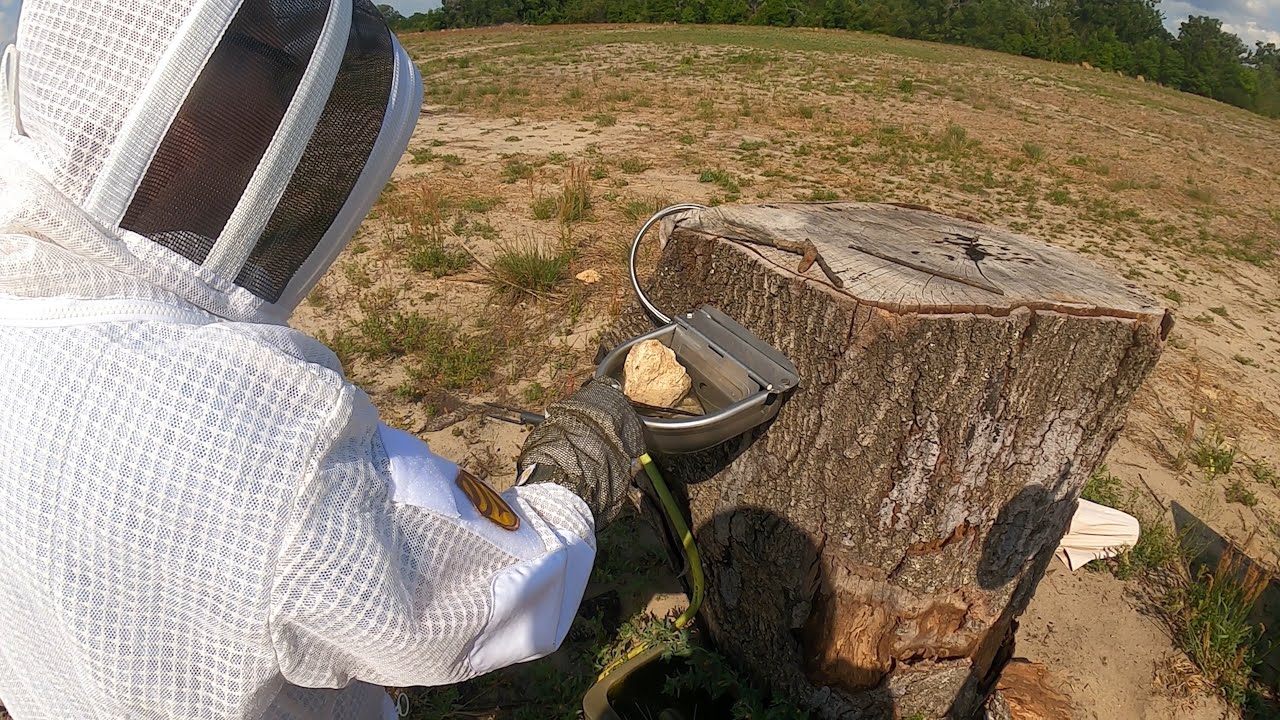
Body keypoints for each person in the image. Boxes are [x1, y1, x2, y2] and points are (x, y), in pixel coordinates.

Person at [0, 2, 644, 719]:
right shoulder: (255, 438)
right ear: (173, 103)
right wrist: (572, 468)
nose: (291, 99)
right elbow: (479, 597)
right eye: (273, 62)